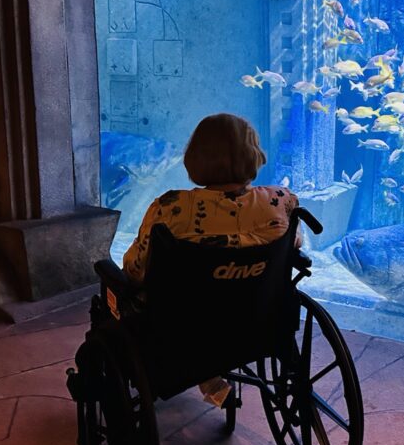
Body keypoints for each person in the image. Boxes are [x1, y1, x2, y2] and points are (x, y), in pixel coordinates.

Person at [122, 113, 299, 407]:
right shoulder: (282, 201)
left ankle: (207, 378)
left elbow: (136, 269)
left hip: (182, 329)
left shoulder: (170, 208)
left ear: (196, 158)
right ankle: (212, 380)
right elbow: (292, 247)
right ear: (253, 154)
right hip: (257, 319)